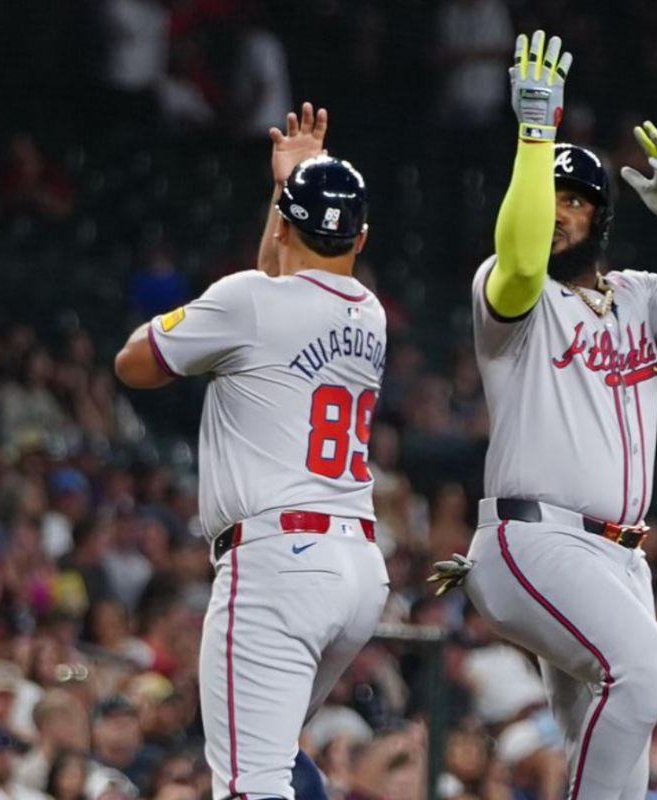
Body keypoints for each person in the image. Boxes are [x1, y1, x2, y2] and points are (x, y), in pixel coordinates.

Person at [429, 31, 657, 800]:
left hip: (620, 559)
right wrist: (535, 133)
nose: (559, 212)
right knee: (647, 668)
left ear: (601, 216)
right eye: (551, 196)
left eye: (575, 199)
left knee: (609, 742)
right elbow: (517, 264)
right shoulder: (514, 295)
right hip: (531, 538)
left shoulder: (639, 295)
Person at [115, 102, 389, 800]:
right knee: (273, 759)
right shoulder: (370, 312)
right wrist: (290, 184)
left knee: (249, 783)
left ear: (286, 226)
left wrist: (283, 194)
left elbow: (134, 364)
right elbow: (285, 279)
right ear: (362, 238)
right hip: (356, 568)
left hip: (277, 564)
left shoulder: (247, 300)